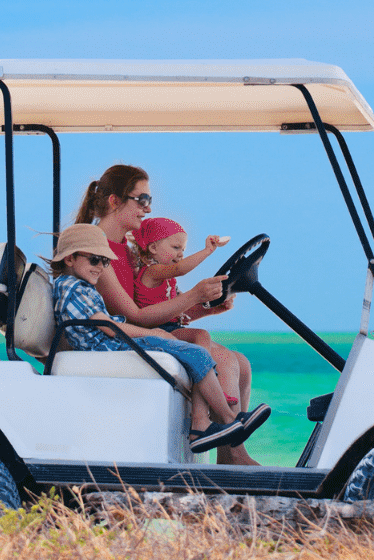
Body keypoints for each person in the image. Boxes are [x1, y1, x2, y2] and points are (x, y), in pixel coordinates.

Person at [74, 164, 262, 465]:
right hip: (125, 337)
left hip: (147, 330)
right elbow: (136, 315)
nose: (147, 209)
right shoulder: (99, 250)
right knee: (226, 361)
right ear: (114, 200)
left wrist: (203, 308)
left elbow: (158, 310)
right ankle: (229, 448)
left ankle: (229, 456)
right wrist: (195, 295)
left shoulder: (128, 251)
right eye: (142, 200)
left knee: (242, 363)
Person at [49, 225, 269, 456]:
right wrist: (152, 333)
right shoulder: (71, 287)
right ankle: (223, 420)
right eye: (95, 260)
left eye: (105, 262)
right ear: (70, 258)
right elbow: (107, 326)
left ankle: (218, 423)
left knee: (197, 352)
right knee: (196, 353)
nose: (101, 268)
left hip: (113, 345)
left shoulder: (78, 286)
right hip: (113, 346)